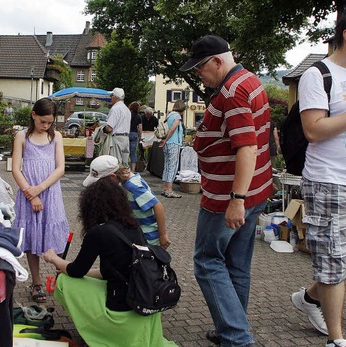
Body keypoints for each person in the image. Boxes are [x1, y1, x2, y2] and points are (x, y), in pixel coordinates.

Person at [289, 5, 346, 347]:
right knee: (332, 263)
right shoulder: (318, 74)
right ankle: (336, 339)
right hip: (329, 181)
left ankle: (310, 297)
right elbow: (313, 130)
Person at [179, 34, 273, 346]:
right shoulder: (249, 80)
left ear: (218, 61)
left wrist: (236, 200)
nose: (198, 75)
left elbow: (247, 147)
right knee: (236, 265)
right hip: (254, 191)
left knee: (207, 262)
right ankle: (231, 329)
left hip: (227, 198)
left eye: (200, 69)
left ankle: (236, 336)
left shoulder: (232, 92)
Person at [42, 177, 176, 347]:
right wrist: (68, 267)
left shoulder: (98, 232)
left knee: (64, 281)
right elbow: (108, 272)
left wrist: (54, 258)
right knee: (73, 275)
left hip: (120, 308)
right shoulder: (134, 227)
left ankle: (97, 331)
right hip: (144, 301)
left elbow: (76, 271)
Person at [12, 98, 69, 304]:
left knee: (55, 234)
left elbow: (60, 168)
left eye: (50, 122)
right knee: (32, 239)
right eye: (42, 121)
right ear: (33, 115)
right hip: (29, 195)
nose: (46, 126)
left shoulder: (56, 137)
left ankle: (62, 277)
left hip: (50, 193)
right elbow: (16, 169)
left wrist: (39, 189)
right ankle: (36, 283)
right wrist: (31, 193)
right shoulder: (22, 136)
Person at [83, 155, 171, 248]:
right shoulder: (125, 182)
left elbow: (158, 206)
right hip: (139, 232)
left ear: (112, 176)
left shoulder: (133, 186)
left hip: (148, 237)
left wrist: (162, 235)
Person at [159, 100, 185, 198]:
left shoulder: (169, 116)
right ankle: (169, 189)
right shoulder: (177, 116)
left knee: (167, 165)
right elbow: (173, 129)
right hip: (174, 143)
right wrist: (166, 139)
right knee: (172, 166)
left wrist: (164, 140)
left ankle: (165, 188)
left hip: (167, 144)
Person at [104, 87, 131, 166]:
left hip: (117, 138)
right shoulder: (126, 109)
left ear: (114, 97)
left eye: (112, 96)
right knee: (125, 164)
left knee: (116, 163)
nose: (111, 98)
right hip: (126, 138)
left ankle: (118, 178)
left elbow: (109, 128)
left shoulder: (115, 108)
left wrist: (103, 129)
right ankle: (127, 178)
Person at [128, 101, 142, 171]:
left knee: (125, 151)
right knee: (133, 152)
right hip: (134, 134)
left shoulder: (128, 114)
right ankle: (133, 169)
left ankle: (125, 168)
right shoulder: (138, 116)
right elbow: (140, 128)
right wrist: (140, 136)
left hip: (126, 133)